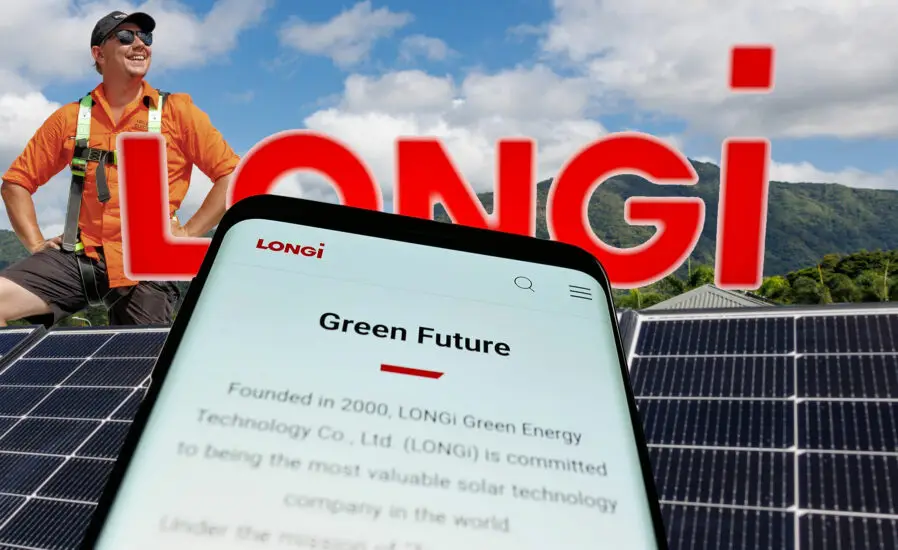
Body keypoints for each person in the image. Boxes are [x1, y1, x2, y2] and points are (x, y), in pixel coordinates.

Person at [0, 10, 239, 327]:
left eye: (146, 38)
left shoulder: (178, 112)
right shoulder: (70, 118)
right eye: (125, 37)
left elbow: (232, 176)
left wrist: (187, 234)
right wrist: (35, 243)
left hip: (148, 262)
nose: (140, 44)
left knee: (137, 362)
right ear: (98, 54)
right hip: (81, 257)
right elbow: (16, 183)